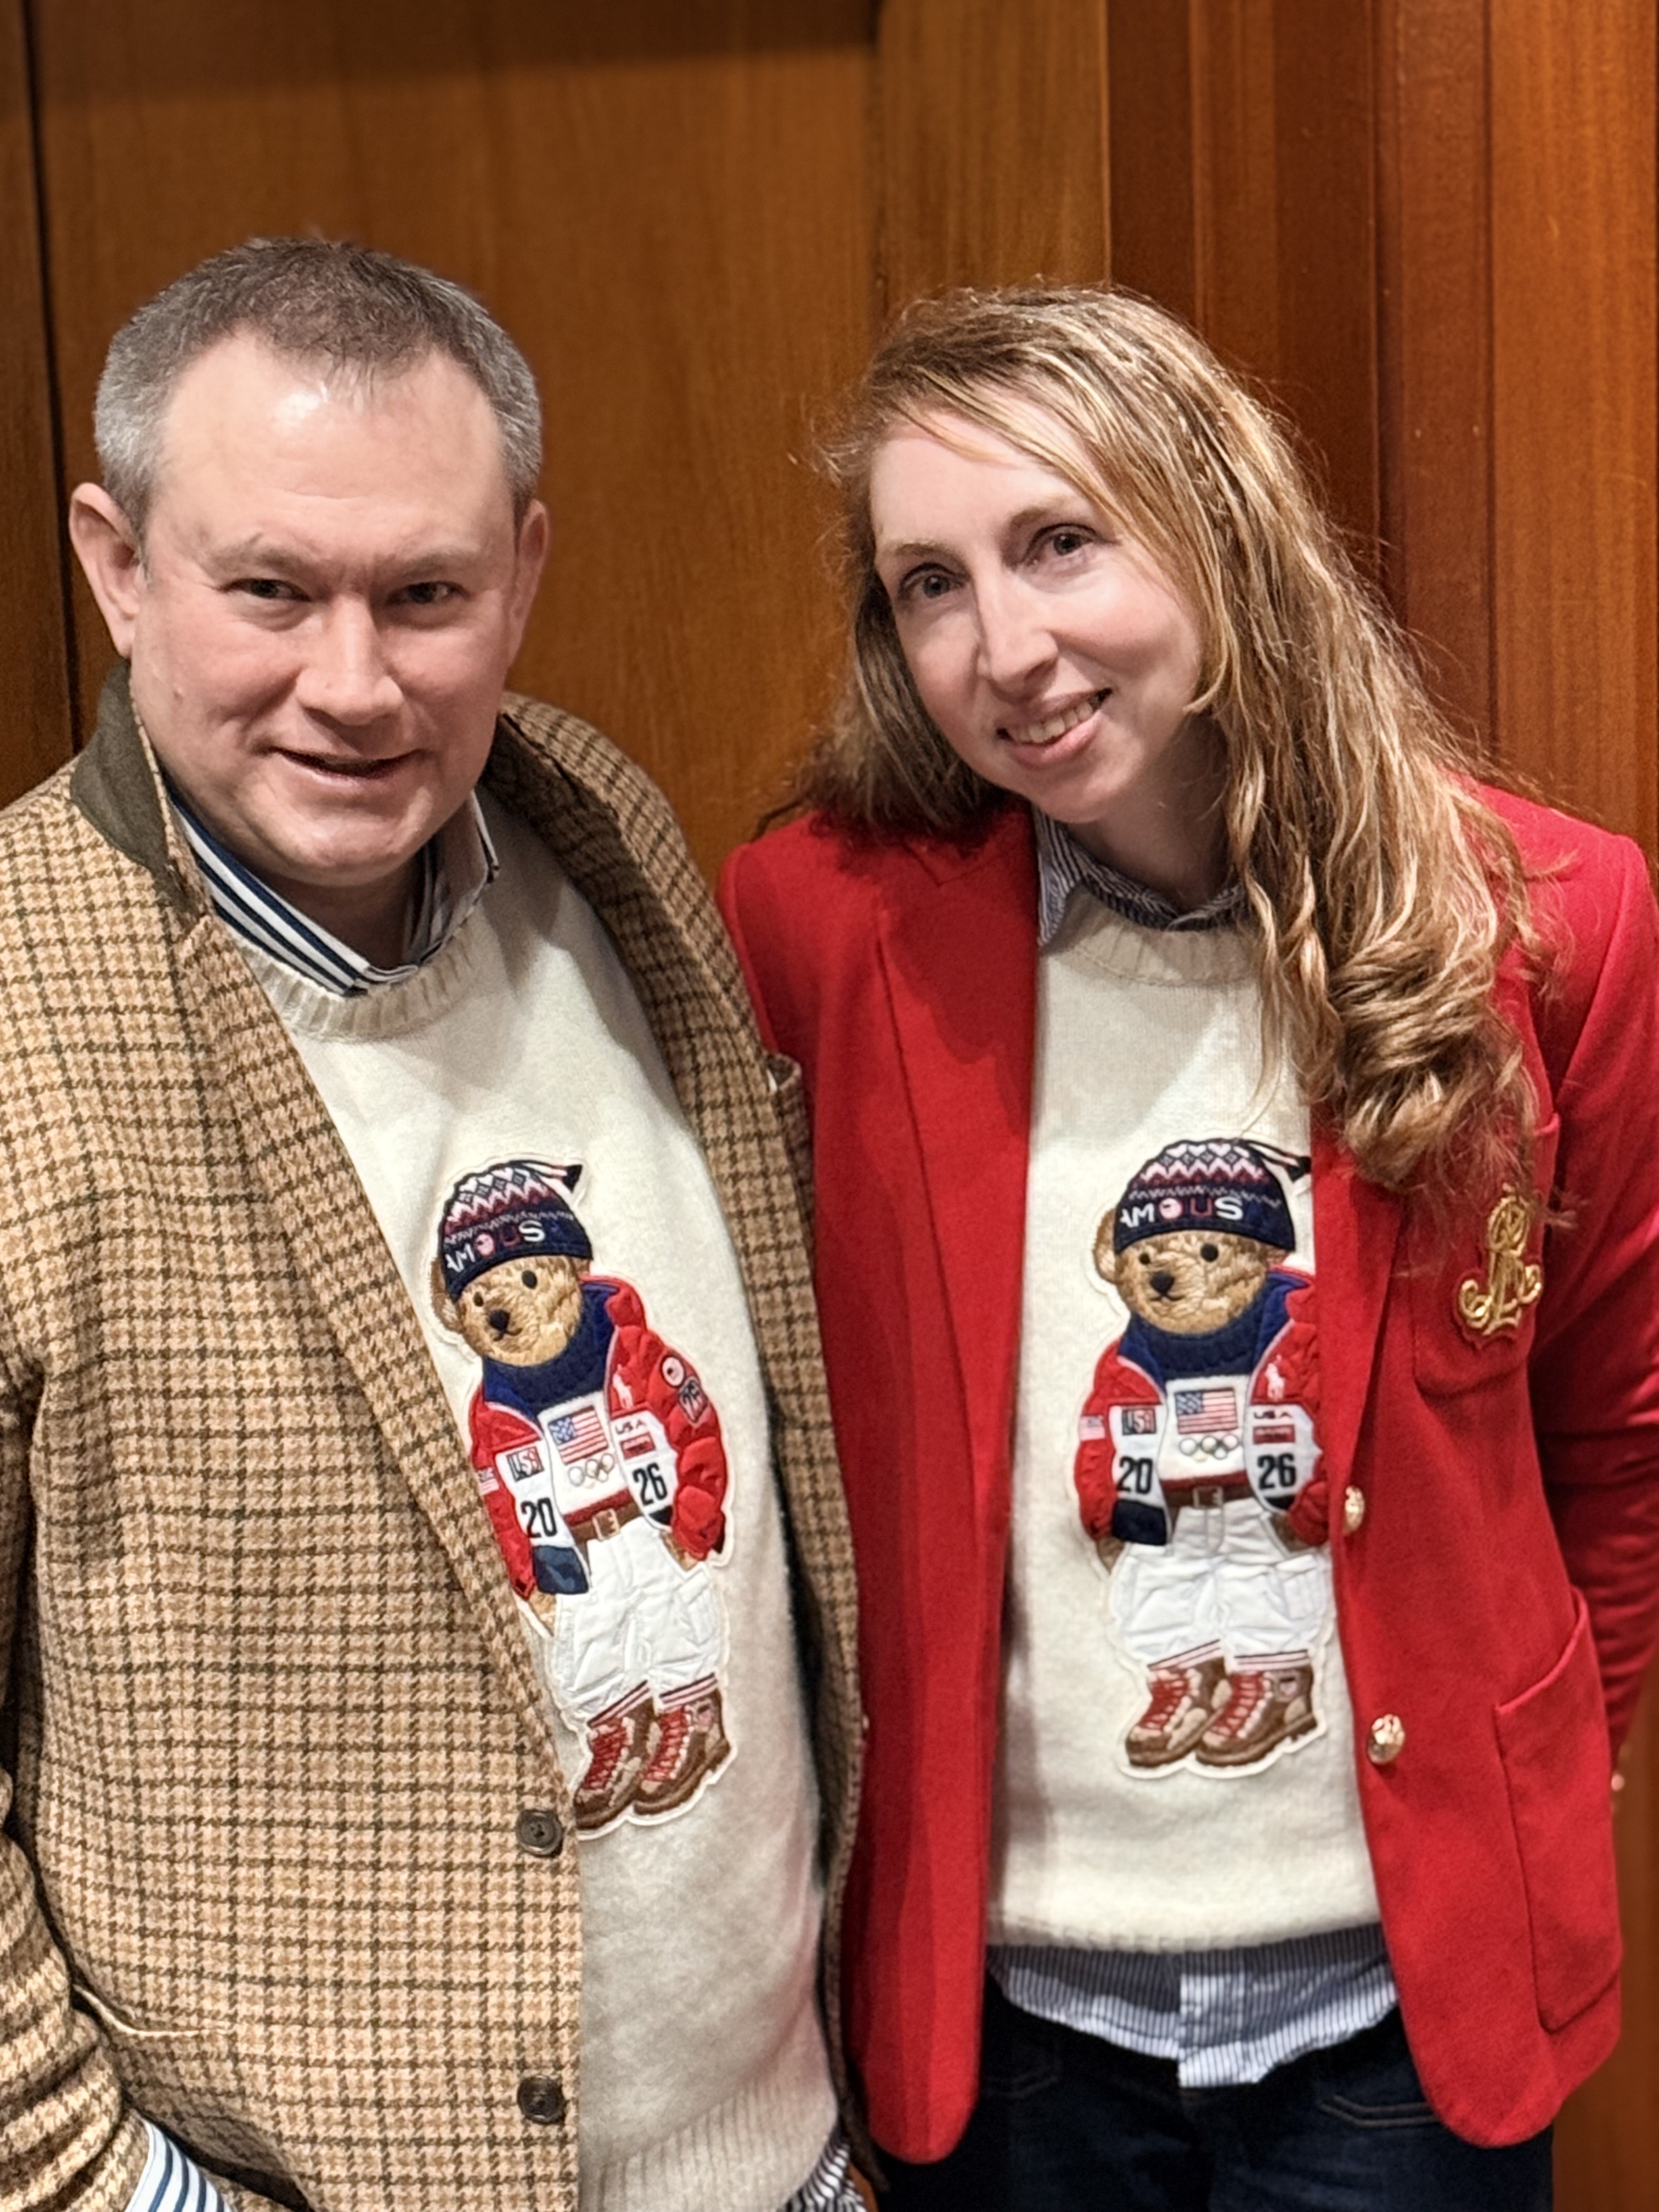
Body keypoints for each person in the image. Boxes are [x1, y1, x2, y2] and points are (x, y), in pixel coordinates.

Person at [718, 286, 1659, 2209]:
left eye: (1062, 541)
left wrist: (1545, 1773)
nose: (1006, 648)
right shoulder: (821, 926)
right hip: (1010, 2028)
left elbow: (1615, 1428)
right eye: (929, 584)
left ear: (1218, 528)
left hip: (1400, 2015)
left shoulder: (1552, 921)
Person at [0, 239, 866, 2212]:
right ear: (118, 566)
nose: (355, 683)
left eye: (425, 595)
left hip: (794, 2154)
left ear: (523, 574)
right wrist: (113, 2192)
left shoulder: (602, 837)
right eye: (268, 590)